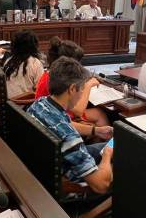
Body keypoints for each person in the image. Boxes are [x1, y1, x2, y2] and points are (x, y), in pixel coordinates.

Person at [27, 57, 114, 194]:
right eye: (82, 89)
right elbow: (100, 186)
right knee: (121, 157)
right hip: (70, 186)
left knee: (108, 147)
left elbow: (64, 123)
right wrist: (107, 155)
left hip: (45, 168)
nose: (82, 95)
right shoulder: (70, 138)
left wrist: (96, 131)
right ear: (72, 89)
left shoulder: (41, 104)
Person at [34, 37, 112, 139]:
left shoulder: (51, 74)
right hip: (60, 119)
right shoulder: (58, 81)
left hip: (54, 116)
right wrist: (87, 85)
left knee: (99, 115)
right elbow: (78, 111)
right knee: (99, 120)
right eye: (77, 63)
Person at [2, 30, 44, 97]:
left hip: (9, 103)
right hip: (24, 103)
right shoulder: (35, 63)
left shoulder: (9, 61)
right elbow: (40, 89)